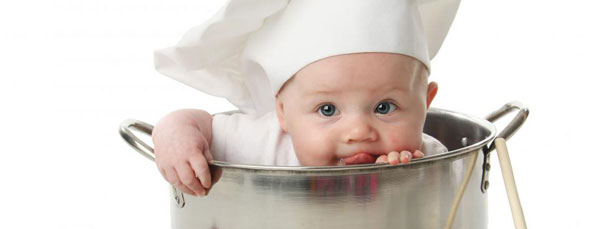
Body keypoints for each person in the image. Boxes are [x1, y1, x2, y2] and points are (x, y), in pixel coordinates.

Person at [152, 0, 460, 196]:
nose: (358, 132)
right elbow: (200, 125)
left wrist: (416, 177)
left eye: (384, 107)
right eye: (328, 109)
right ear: (283, 112)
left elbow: (450, 209)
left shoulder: (429, 157)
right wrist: (173, 135)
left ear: (426, 102)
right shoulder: (267, 142)